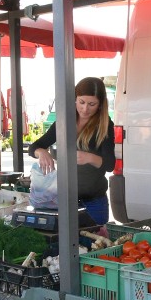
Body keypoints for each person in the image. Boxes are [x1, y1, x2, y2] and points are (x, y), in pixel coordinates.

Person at [28, 77, 115, 224]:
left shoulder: (105, 125)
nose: (85, 109)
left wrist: (89, 157)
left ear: (100, 104)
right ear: (75, 99)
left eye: (92, 104)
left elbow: (110, 164)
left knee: (96, 244)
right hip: (64, 200)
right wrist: (42, 152)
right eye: (81, 102)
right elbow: (34, 147)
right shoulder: (64, 121)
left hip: (94, 202)